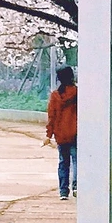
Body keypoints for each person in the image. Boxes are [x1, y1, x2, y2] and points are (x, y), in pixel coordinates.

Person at [44, 66, 78, 200]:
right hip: (75, 133)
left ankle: (63, 191)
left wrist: (49, 135)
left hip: (61, 135)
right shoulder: (78, 93)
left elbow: (51, 116)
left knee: (63, 162)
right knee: (76, 161)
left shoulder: (55, 96)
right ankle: (76, 186)